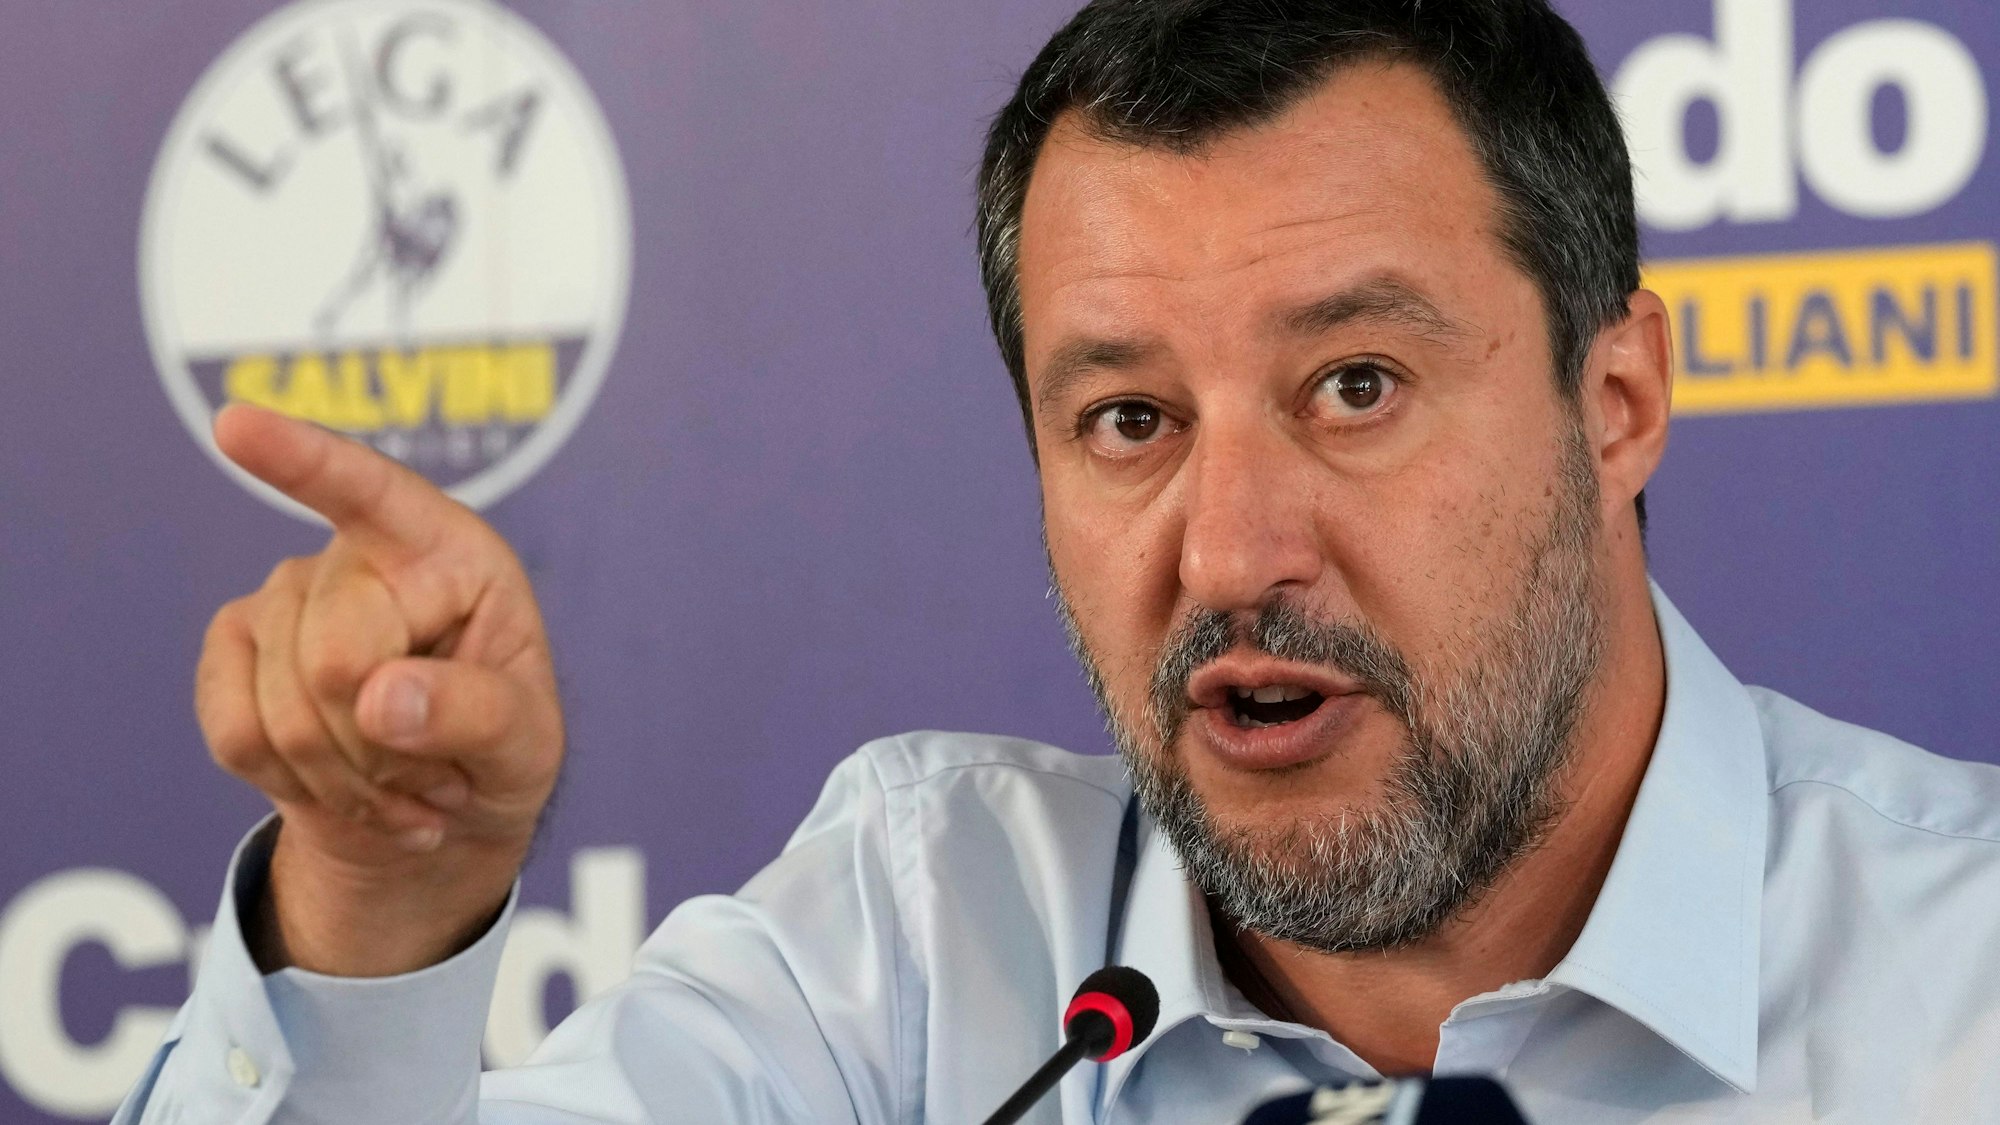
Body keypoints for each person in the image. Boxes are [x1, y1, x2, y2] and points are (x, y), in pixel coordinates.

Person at [117, 1, 2000, 1122]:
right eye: (1129, 421)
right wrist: (382, 894)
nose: (1234, 550)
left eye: (1355, 385)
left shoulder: (1964, 983)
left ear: (1616, 400)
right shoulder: (914, 957)